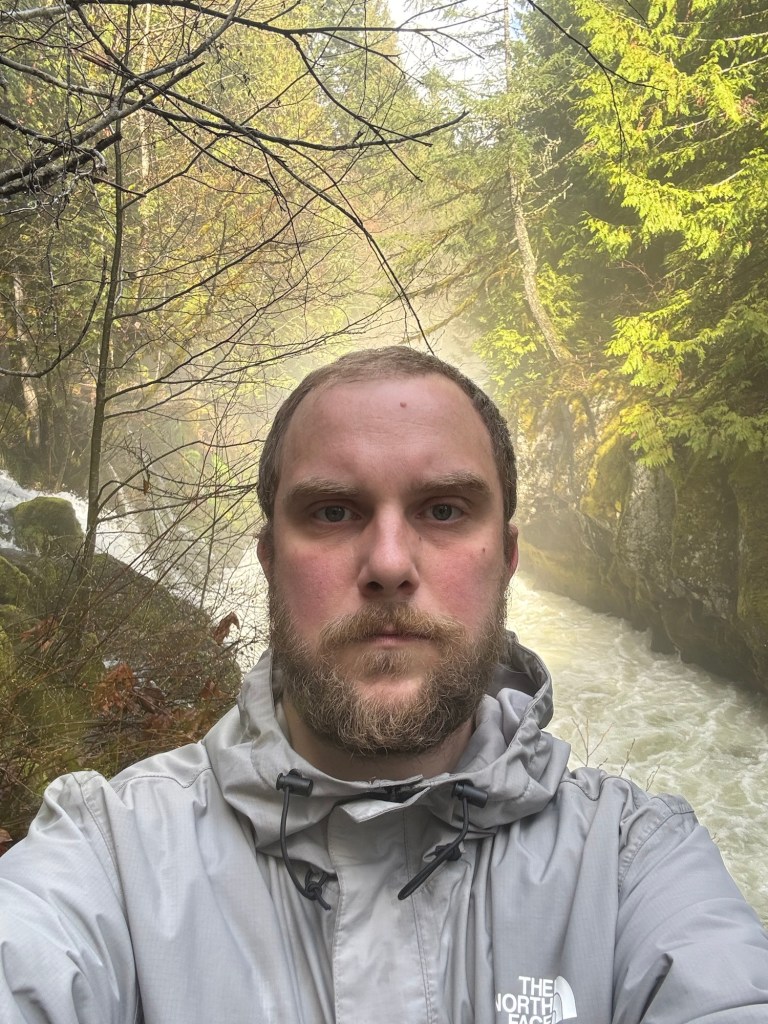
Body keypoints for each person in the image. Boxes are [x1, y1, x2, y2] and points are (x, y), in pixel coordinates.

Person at [1, 346, 767, 1024]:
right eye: (334, 511)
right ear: (270, 562)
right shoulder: (110, 858)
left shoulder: (635, 867)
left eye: (444, 509)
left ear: (507, 560)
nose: (390, 564)